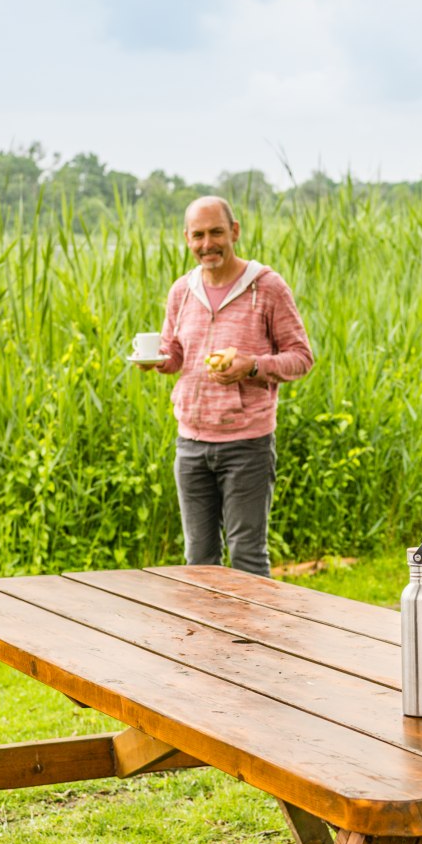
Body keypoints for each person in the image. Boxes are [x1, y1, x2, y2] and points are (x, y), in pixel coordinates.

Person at [140, 196, 314, 576]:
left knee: (247, 555)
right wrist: (157, 361)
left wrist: (251, 366)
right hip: (191, 445)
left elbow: (301, 358)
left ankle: (257, 637)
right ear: (186, 238)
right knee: (198, 561)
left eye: (216, 232)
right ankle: (206, 637)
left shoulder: (267, 287)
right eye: (198, 235)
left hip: (247, 443)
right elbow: (175, 355)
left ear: (234, 231)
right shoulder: (181, 291)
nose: (208, 244)